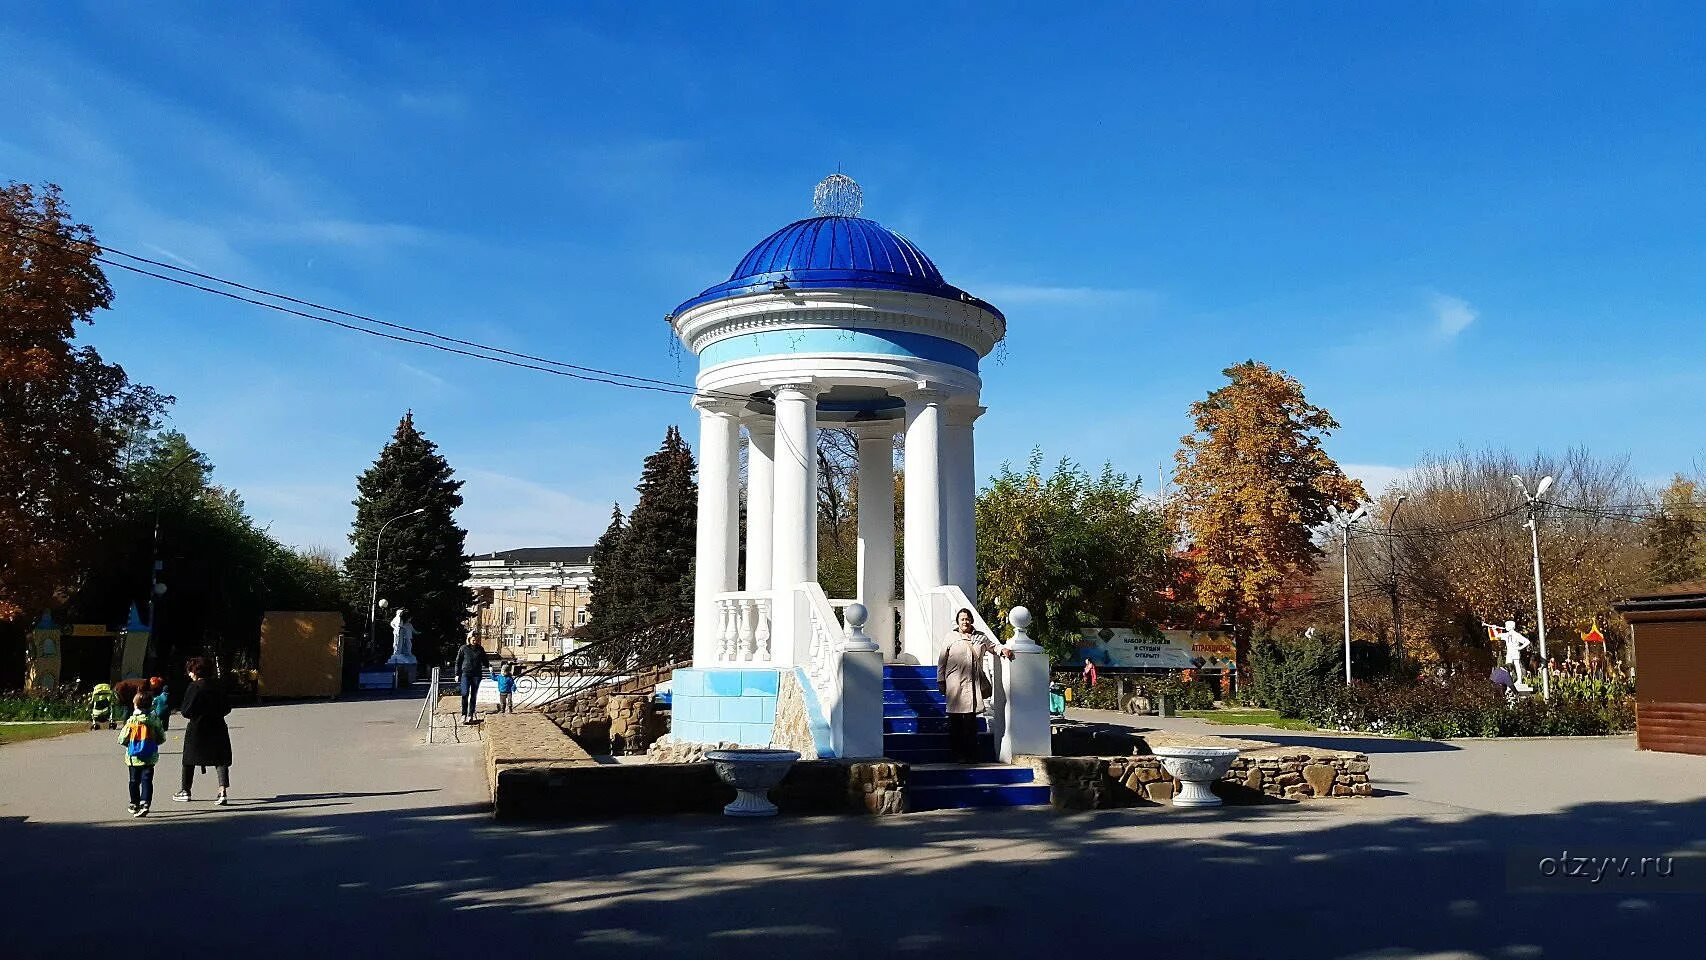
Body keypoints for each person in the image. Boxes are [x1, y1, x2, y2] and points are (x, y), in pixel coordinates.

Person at [936, 608, 1014, 764]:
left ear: (971, 620)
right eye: (962, 619)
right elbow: (942, 660)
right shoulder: (950, 637)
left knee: (970, 722)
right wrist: (941, 680)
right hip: (955, 685)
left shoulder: (980, 638)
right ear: (957, 622)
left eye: (967, 619)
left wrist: (1003, 650)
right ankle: (958, 754)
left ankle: (971, 754)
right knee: (956, 722)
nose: (965, 622)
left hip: (972, 685)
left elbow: (993, 646)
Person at [173, 657, 232, 806]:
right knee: (220, 759)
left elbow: (185, 711)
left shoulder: (194, 687)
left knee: (188, 759)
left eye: (190, 671)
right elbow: (227, 707)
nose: (189, 674)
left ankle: (185, 790)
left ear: (195, 671)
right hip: (218, 725)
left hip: (197, 727)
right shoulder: (218, 686)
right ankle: (222, 791)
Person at [118, 692, 165, 818]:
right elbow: (162, 738)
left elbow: (122, 739)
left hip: (133, 758)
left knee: (134, 781)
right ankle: (145, 804)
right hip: (149, 757)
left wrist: (130, 744)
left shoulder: (132, 721)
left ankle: (134, 803)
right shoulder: (154, 720)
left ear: (136, 706)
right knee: (147, 781)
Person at [455, 635, 490, 724]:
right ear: (469, 639)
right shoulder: (463, 648)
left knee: (473, 695)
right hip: (465, 674)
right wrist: (457, 674)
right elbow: (458, 661)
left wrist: (489, 666)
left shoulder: (480, 649)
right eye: (473, 640)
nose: (475, 641)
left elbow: (485, 660)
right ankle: (464, 714)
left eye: (476, 640)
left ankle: (470, 715)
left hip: (476, 675)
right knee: (465, 693)